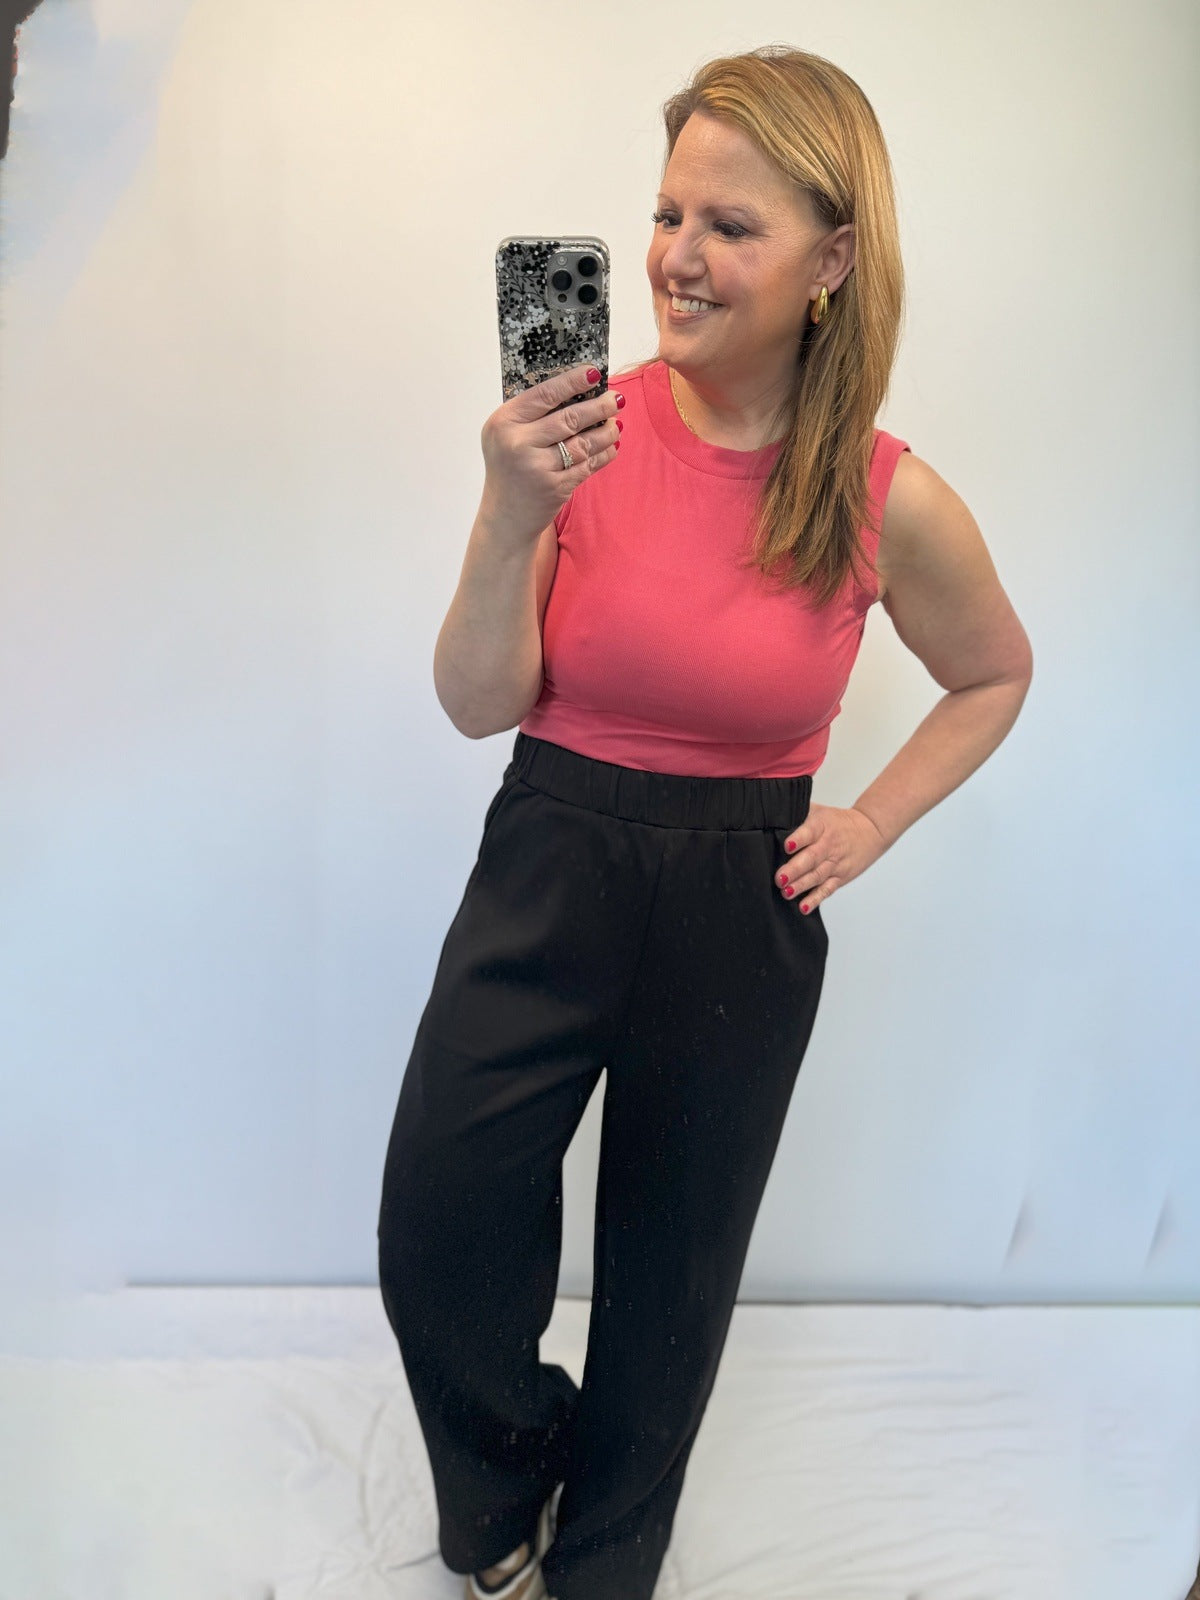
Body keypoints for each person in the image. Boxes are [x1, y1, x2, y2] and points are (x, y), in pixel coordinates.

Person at [377, 43, 1033, 1600]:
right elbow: (476, 703)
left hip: (743, 895)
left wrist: (870, 821)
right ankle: (502, 1498)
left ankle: (607, 1566)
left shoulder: (883, 494)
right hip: (551, 855)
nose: (677, 255)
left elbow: (994, 672)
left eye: (730, 225)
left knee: (671, 1282)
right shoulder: (576, 434)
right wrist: (509, 515)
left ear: (832, 261)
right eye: (668, 213)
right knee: (442, 1225)